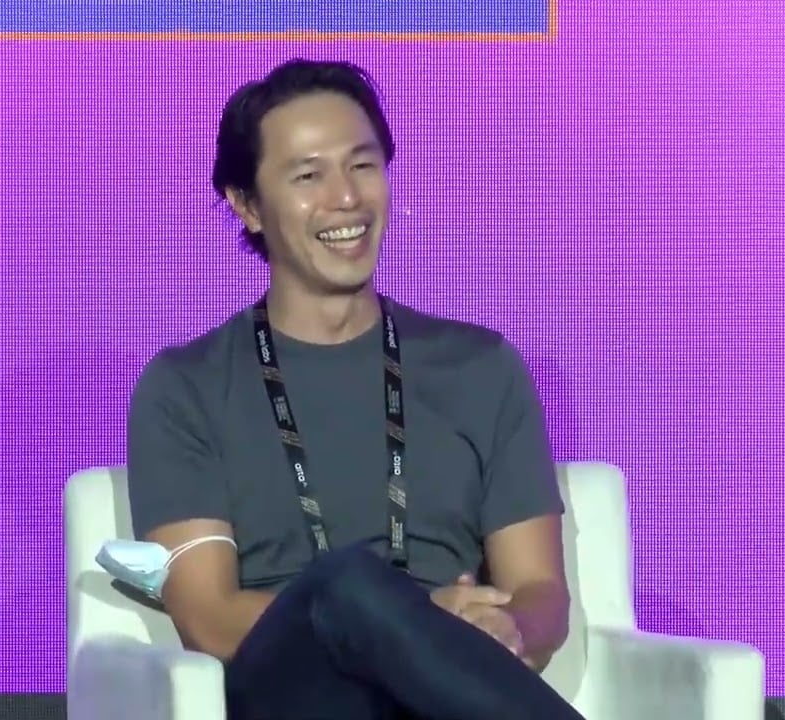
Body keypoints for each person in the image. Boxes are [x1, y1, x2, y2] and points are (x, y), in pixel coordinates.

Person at [126, 58, 586, 720]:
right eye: (308, 175)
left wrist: (503, 627)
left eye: (363, 165)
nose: (346, 198)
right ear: (247, 205)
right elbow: (211, 618)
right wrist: (416, 617)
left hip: (448, 692)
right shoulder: (187, 386)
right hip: (291, 693)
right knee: (344, 585)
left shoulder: (480, 367)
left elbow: (539, 589)